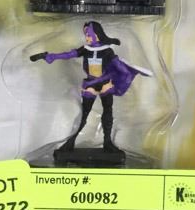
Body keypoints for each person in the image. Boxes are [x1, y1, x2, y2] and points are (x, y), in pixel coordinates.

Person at [31, 21, 152, 154]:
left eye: (89, 34)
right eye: (86, 35)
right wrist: (51, 56)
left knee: (108, 111)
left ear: (97, 35)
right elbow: (68, 54)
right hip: (90, 84)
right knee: (83, 114)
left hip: (105, 83)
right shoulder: (85, 49)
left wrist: (130, 71)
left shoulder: (107, 51)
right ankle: (70, 142)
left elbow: (119, 66)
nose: (87, 38)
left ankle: (107, 143)